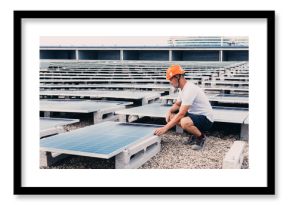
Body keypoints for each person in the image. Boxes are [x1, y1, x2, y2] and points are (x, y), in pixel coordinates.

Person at [154, 64, 214, 150]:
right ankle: (194, 135)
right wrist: (169, 111)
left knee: (184, 122)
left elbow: (181, 113)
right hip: (194, 115)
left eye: (171, 79)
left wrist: (165, 128)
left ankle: (201, 138)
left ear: (177, 76)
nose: (170, 82)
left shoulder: (189, 89)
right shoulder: (182, 88)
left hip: (206, 119)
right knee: (171, 116)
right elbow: (178, 104)